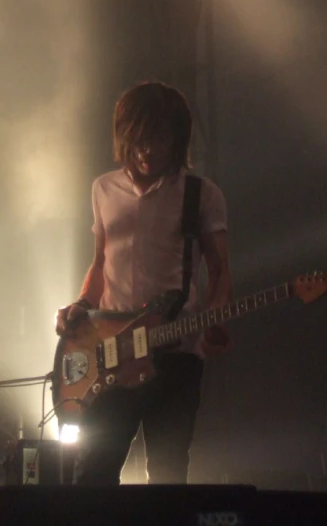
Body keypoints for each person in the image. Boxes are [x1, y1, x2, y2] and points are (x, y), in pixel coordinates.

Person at [55, 81, 233, 486]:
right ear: (124, 139)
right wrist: (81, 304)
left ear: (177, 139)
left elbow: (220, 270)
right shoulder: (103, 189)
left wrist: (214, 321)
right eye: (138, 140)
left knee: (168, 478)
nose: (147, 151)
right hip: (112, 352)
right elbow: (100, 263)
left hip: (176, 352)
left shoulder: (201, 195)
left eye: (159, 139)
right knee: (93, 475)